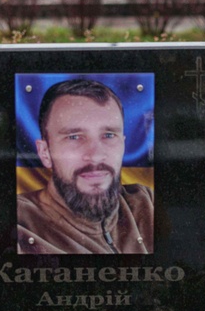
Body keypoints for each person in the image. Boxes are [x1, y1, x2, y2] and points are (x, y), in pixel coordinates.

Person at [17, 78, 154, 255]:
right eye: (74, 137)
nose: (95, 156)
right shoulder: (19, 226)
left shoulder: (147, 203)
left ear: (123, 145)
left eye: (109, 135)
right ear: (45, 152)